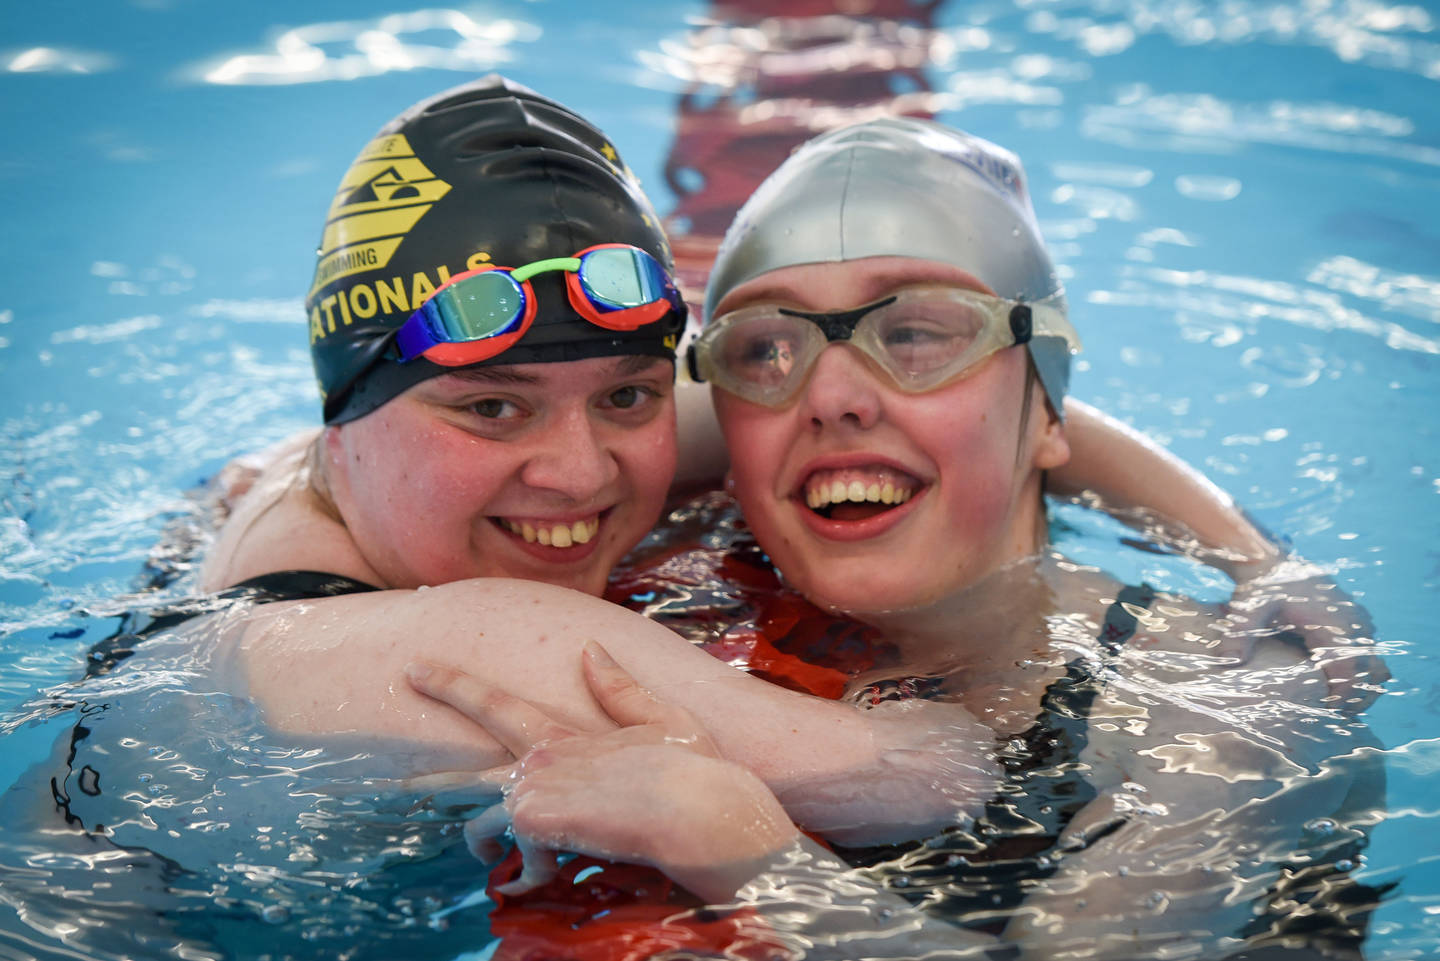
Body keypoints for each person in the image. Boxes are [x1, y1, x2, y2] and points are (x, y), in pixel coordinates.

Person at [417, 118, 1389, 959]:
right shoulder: (670, 542)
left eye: (920, 334)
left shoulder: (1218, 694)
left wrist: (736, 842)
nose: (833, 398)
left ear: (1050, 419)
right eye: (766, 348)